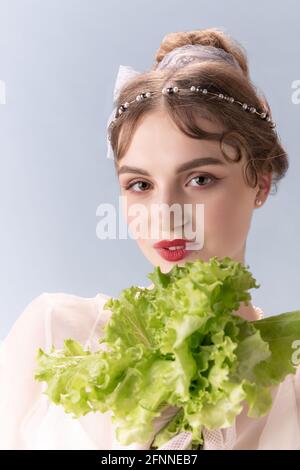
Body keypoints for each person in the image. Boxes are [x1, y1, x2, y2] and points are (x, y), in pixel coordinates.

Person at [1, 28, 299, 450]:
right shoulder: (54, 335)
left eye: (199, 179)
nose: (166, 214)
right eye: (140, 185)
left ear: (261, 183)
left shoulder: (294, 383)